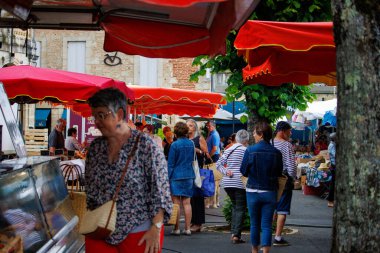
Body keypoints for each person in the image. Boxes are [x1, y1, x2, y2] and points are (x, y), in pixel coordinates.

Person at [85, 88, 172, 253]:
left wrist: (156, 227)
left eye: (102, 115)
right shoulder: (95, 148)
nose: (97, 121)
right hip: (99, 229)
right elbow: (90, 190)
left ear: (118, 114)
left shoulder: (146, 145)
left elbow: (159, 191)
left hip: (138, 230)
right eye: (95, 116)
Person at [240, 121, 283, 253]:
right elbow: (279, 173)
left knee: (254, 224)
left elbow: (243, 171)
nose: (253, 135)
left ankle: (254, 250)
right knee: (266, 224)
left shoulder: (250, 150)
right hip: (269, 191)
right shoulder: (276, 153)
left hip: (252, 191)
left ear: (261, 134)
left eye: (254, 132)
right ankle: (265, 251)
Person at [216, 129, 249, 244]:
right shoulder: (246, 150)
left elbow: (218, 164)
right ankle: (236, 235)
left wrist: (226, 172)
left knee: (235, 206)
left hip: (227, 182)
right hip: (240, 182)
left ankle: (234, 232)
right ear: (247, 140)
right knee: (240, 208)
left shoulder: (228, 149)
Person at [272, 121, 297, 246]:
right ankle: (277, 237)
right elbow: (291, 165)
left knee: (272, 207)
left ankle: (267, 232)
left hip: (270, 179)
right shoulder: (286, 145)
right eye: (289, 131)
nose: (290, 133)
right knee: (282, 209)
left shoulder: (270, 143)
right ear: (282, 131)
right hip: (283, 178)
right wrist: (293, 178)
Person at [167, 122, 195, 236]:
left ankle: (177, 228)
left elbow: (171, 164)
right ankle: (188, 228)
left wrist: (167, 178)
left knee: (176, 203)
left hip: (176, 176)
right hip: (189, 174)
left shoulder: (174, 145)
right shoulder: (191, 143)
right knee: (187, 203)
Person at [186, 119, 208, 233]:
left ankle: (198, 223)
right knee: (190, 197)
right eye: (187, 125)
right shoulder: (185, 139)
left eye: (190, 125)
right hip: (188, 170)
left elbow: (206, 153)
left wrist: (197, 150)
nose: (188, 127)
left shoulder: (199, 138)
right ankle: (193, 221)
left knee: (197, 197)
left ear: (194, 128)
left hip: (198, 170)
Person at [205, 120, 221, 208]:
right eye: (207, 126)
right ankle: (211, 201)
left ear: (213, 126)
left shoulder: (215, 135)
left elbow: (215, 148)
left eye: (208, 126)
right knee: (210, 180)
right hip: (212, 157)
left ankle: (214, 202)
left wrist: (208, 157)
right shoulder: (211, 134)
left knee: (214, 181)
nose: (207, 128)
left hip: (213, 157)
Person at [327, 132, 336, 207]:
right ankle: (330, 200)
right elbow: (335, 155)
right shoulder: (332, 145)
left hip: (334, 165)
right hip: (334, 166)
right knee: (333, 183)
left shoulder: (333, 145)